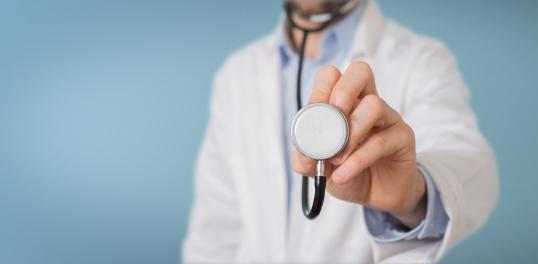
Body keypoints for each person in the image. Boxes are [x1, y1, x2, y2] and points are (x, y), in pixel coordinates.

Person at [182, 0, 498, 262]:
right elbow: (215, 231)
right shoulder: (237, 74)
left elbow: (472, 170)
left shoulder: (422, 61)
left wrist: (412, 193)